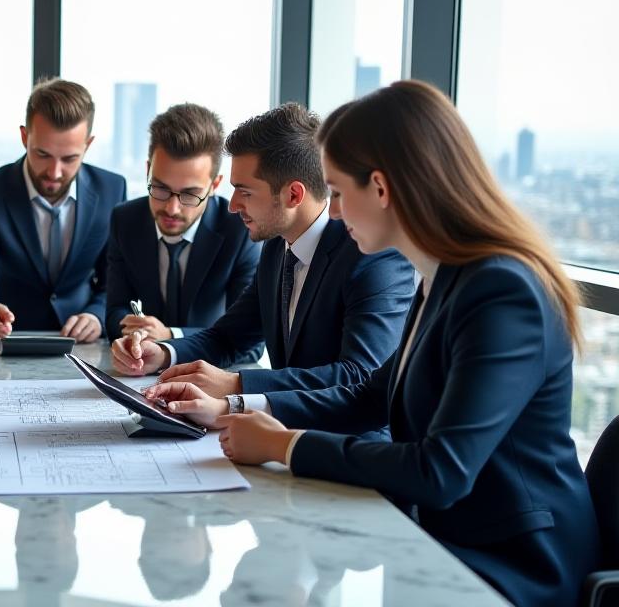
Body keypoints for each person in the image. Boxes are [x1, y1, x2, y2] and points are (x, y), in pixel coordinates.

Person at [145, 81, 600, 607]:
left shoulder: (501, 290)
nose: (331, 212)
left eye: (337, 192)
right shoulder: (445, 277)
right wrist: (231, 409)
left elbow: (441, 471)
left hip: (512, 565)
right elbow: (370, 397)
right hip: (440, 542)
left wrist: (284, 445)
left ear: (380, 189)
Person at [112, 103, 414, 401]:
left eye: (244, 191)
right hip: (281, 430)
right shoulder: (276, 246)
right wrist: (163, 353)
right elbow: (229, 337)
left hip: (347, 443)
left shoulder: (373, 255)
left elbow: (359, 375)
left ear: (293, 194)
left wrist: (238, 384)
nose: (232, 206)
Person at [0, 78, 126, 342]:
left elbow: (116, 285)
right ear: (25, 137)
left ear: (88, 145)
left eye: (70, 158)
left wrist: (96, 315)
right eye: (43, 154)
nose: (54, 172)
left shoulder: (112, 190)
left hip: (83, 346)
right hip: (9, 342)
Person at [104, 103, 261, 345]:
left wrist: (171, 336)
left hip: (210, 369)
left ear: (214, 185)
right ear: (148, 171)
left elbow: (248, 340)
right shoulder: (124, 220)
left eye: (189, 195)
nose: (172, 208)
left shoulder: (239, 231)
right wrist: (137, 331)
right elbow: (115, 312)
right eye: (160, 188)